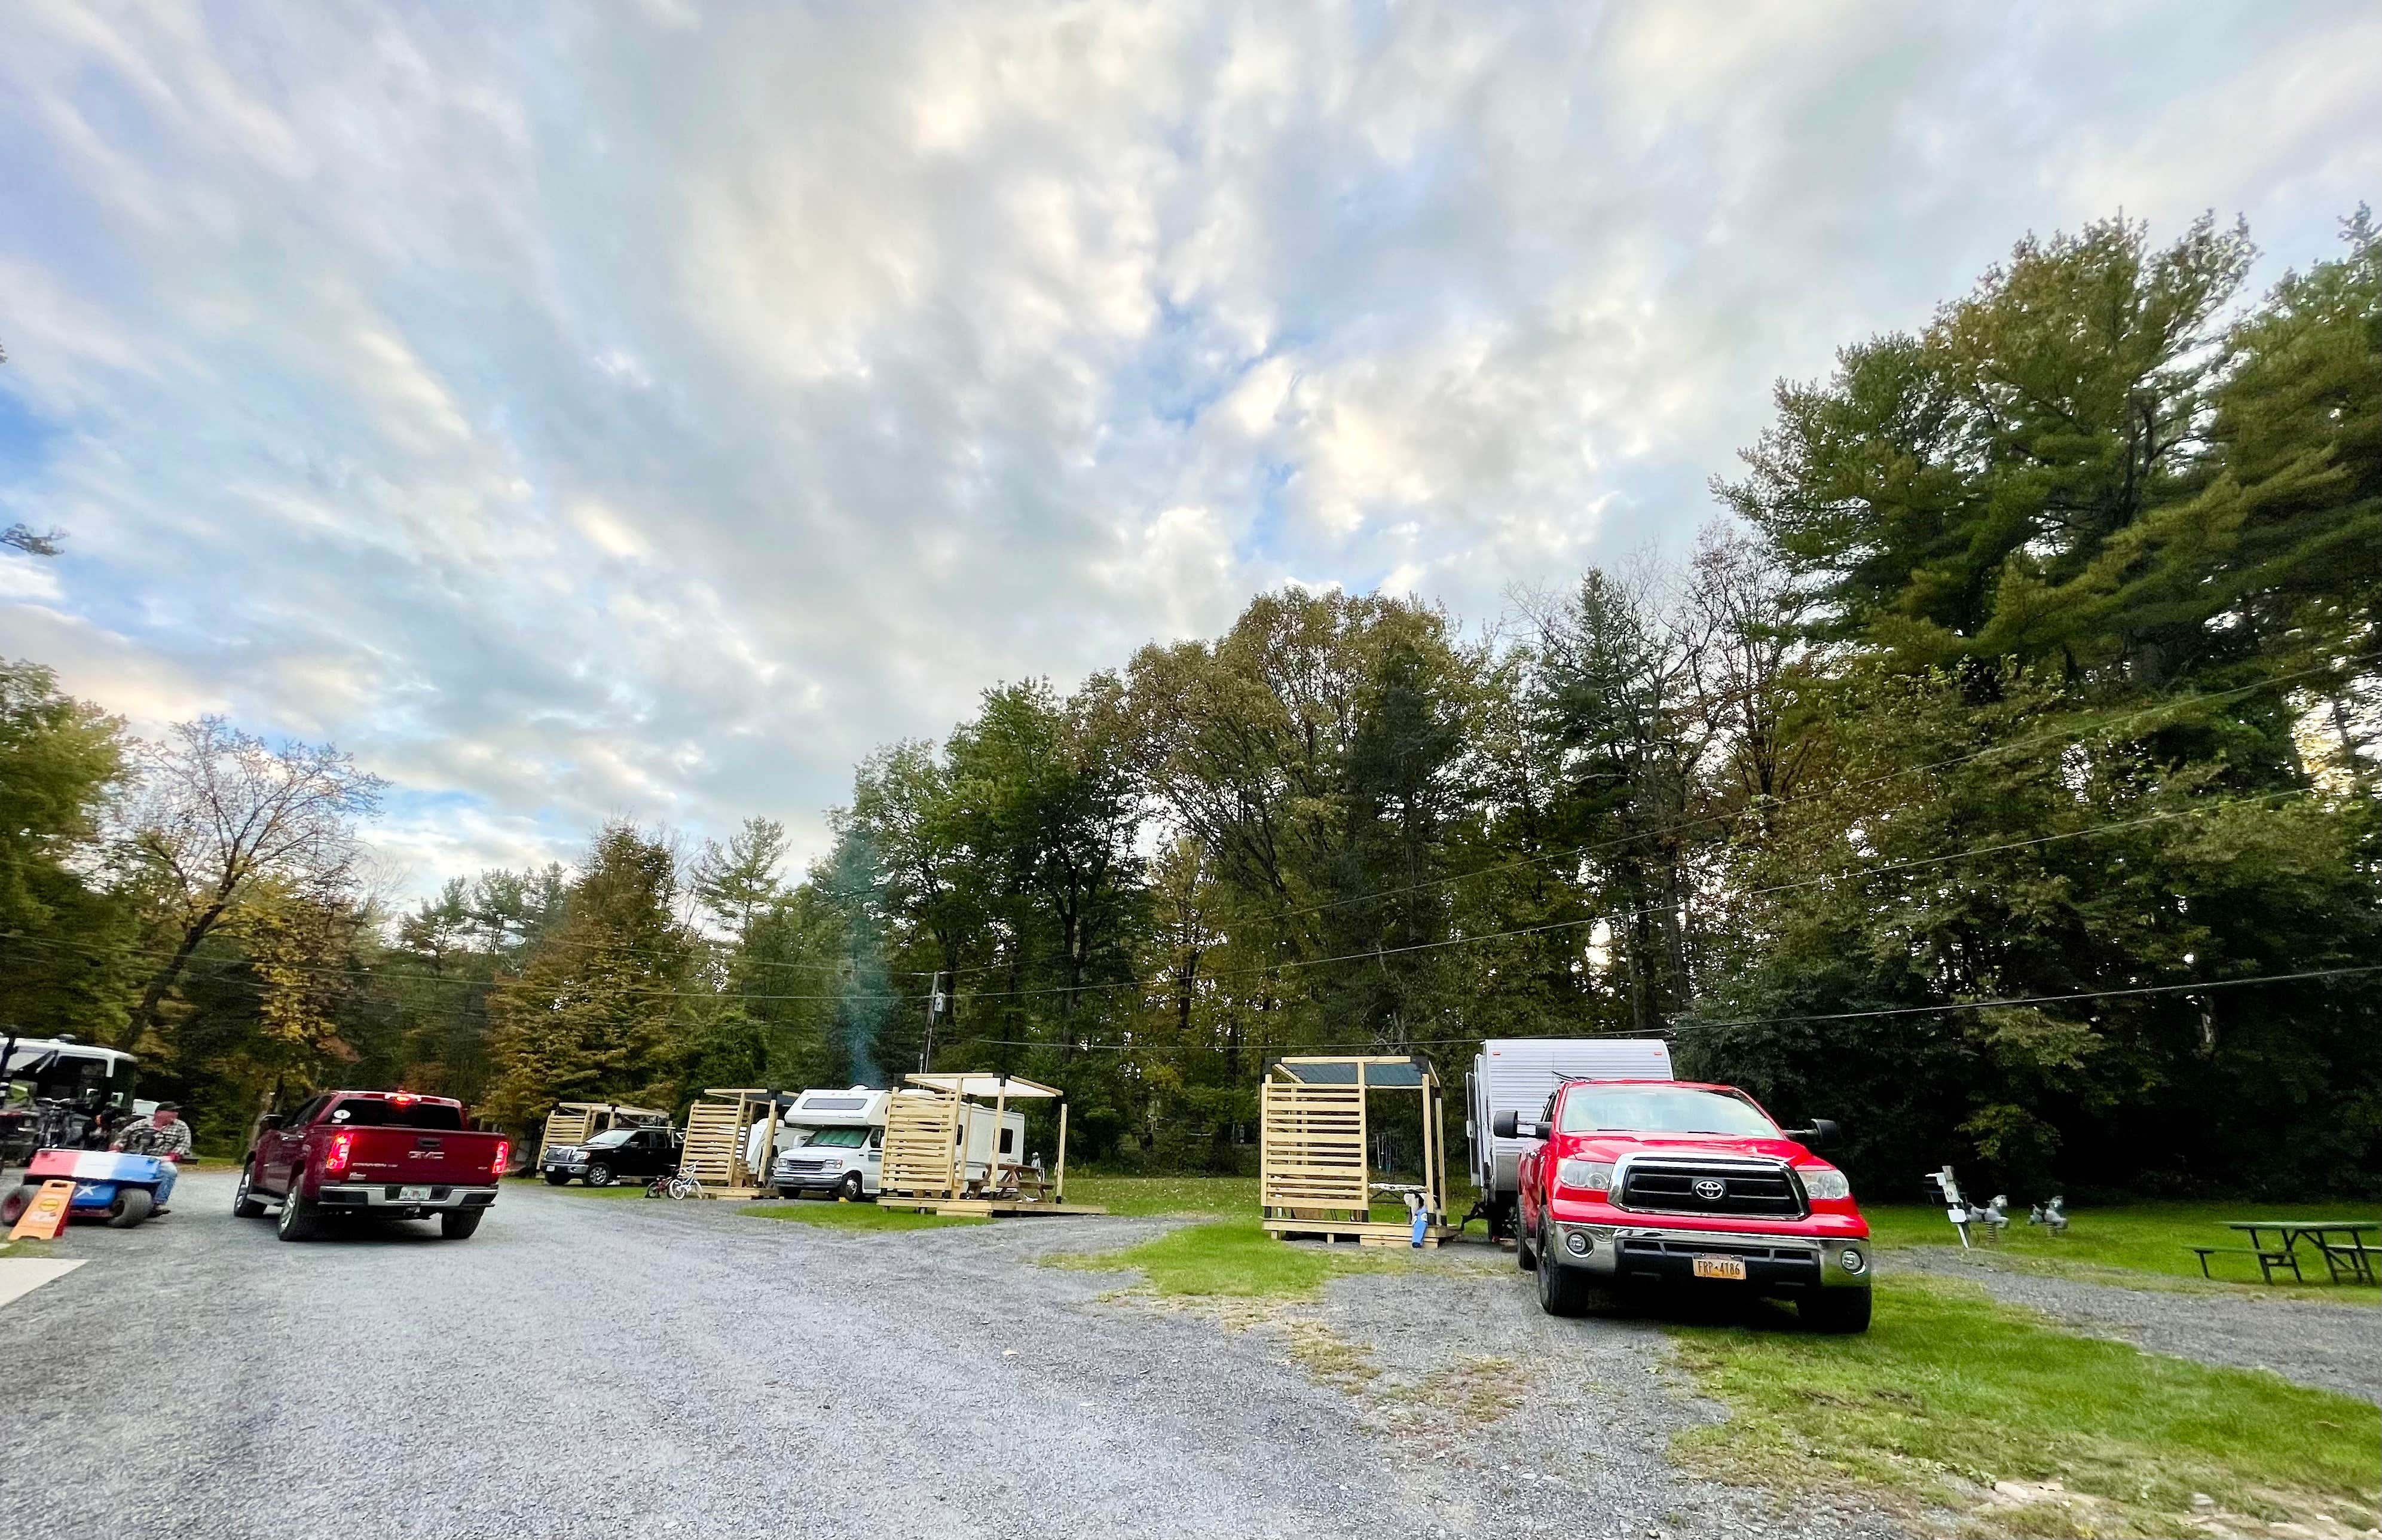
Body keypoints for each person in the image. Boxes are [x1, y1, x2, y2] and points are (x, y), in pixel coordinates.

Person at [109, 1101, 191, 1213]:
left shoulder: (181, 1127)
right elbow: (122, 1137)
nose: (175, 1114)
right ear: (159, 1113)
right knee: (111, 1166)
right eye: (172, 1111)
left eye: (176, 1111)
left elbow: (184, 1144)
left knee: (170, 1171)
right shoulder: (140, 1124)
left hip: (158, 1159)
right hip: (133, 1156)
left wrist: (171, 1157)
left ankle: (158, 1203)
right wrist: (117, 1148)